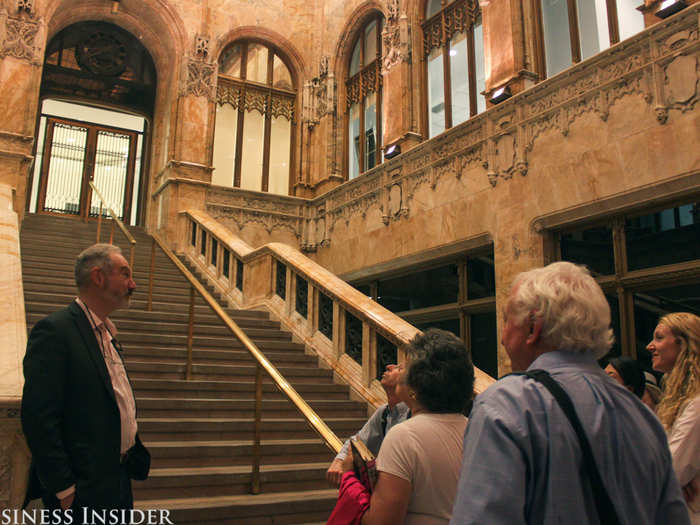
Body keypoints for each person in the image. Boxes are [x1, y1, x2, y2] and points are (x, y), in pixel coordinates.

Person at [451, 261, 689, 525]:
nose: (503, 338)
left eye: (506, 320)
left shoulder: (508, 405)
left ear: (533, 328)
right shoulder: (643, 416)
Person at [22, 244, 150, 518]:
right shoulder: (55, 332)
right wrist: (64, 489)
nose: (133, 283)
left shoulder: (107, 334)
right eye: (125, 274)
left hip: (118, 479)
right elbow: (39, 417)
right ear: (98, 277)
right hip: (81, 490)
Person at [331, 328, 474, 524]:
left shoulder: (404, 437)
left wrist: (349, 476)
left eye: (405, 366)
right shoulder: (474, 431)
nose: (399, 372)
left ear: (416, 385)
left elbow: (380, 522)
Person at [648, 312, 700, 524]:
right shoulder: (680, 400)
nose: (649, 346)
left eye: (659, 338)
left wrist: (671, 480)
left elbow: (670, 470)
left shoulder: (696, 403)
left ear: (684, 344)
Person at [326, 363, 410, 487]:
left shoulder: (413, 415)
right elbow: (357, 441)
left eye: (399, 368)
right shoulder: (384, 413)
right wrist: (339, 460)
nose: (389, 366)